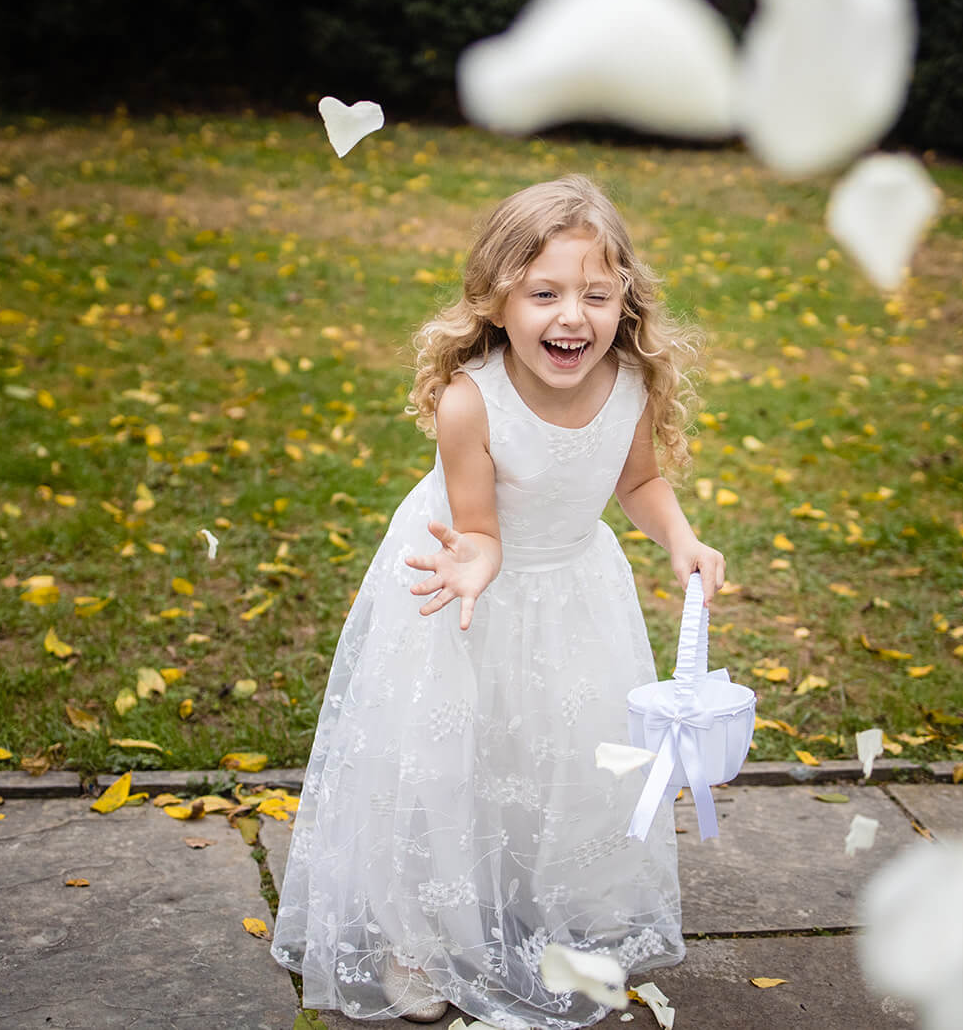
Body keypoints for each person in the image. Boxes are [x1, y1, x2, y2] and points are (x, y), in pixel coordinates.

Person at [270, 175, 726, 1028]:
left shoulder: (629, 381)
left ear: (624, 297)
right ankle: (418, 939)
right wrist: (477, 564)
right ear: (496, 299)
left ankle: (542, 897)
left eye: (596, 294)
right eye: (544, 293)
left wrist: (681, 539)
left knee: (560, 747)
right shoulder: (469, 401)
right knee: (449, 760)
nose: (572, 318)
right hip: (461, 584)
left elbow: (638, 478)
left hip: (577, 590)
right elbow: (477, 528)